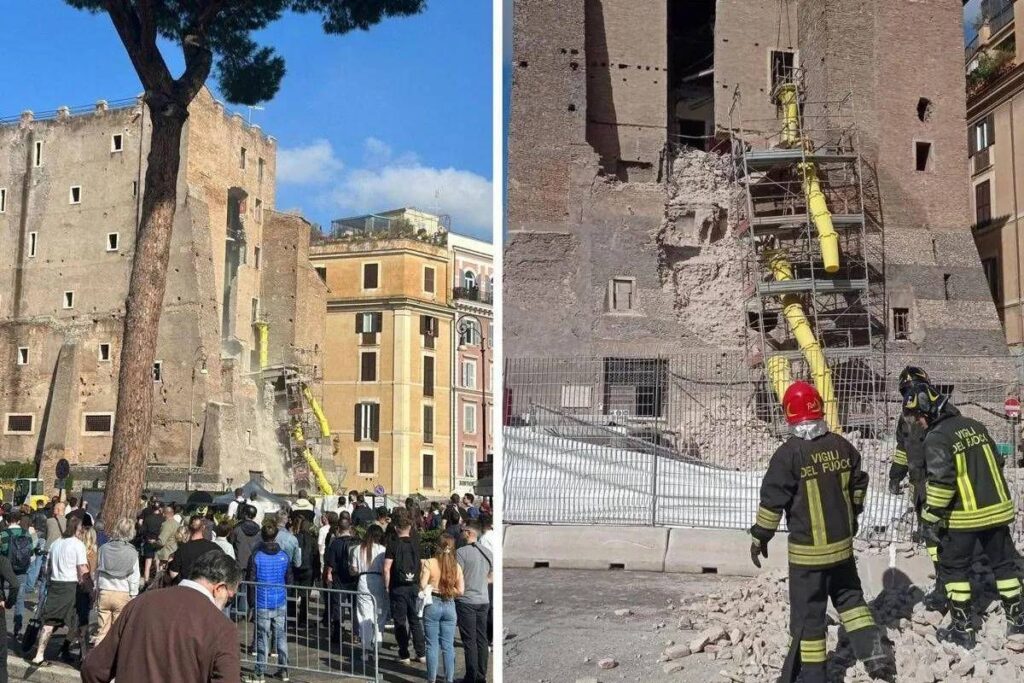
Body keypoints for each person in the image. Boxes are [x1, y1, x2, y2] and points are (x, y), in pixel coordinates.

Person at [748, 381, 892, 683]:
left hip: (808, 557)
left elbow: (773, 501)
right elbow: (859, 484)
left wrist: (760, 536)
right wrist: (852, 517)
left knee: (808, 617)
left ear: (789, 414)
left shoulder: (788, 455)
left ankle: (813, 675)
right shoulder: (842, 446)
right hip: (841, 550)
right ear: (818, 407)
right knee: (852, 602)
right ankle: (878, 658)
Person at [904, 378, 1024, 648]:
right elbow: (999, 460)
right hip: (998, 510)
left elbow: (942, 483)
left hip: (964, 517)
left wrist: (929, 518)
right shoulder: (975, 425)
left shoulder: (937, 437)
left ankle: (963, 629)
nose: (917, 424)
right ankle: (1017, 622)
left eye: (917, 418)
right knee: (1004, 565)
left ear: (928, 413)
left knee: (954, 568)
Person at [81, 550, 242, 683]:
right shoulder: (223, 628)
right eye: (230, 599)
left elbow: (94, 668)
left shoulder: (140, 603)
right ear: (219, 588)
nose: (227, 604)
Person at [888, 365, 951, 611]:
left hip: (941, 481)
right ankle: (943, 579)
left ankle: (950, 581)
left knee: (942, 533)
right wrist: (896, 474)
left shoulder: (941, 412)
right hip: (921, 483)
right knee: (931, 534)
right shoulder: (907, 419)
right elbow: (903, 449)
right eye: (907, 391)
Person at [32, 516, 89, 666]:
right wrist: (90, 587)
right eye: (81, 528)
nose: (82, 531)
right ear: (77, 528)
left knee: (50, 622)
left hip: (55, 585)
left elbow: (47, 568)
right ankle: (83, 658)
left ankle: (39, 655)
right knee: (77, 622)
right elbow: (82, 569)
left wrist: (48, 583)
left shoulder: (56, 543)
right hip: (71, 586)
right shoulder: (78, 545)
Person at [247, 521, 292, 683]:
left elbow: (250, 581)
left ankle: (260, 672)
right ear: (276, 536)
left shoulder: (256, 556)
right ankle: (284, 670)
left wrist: (251, 604)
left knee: (262, 638)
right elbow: (289, 580)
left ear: (262, 536)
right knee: (280, 637)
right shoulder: (284, 556)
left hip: (262, 601)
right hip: (280, 600)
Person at [384, 509, 425, 664]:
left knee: (400, 621)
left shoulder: (393, 544)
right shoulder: (416, 542)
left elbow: (387, 568)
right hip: (414, 585)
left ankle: (404, 654)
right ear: (410, 527)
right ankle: (421, 653)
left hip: (398, 587)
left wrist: (387, 586)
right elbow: (420, 564)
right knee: (415, 620)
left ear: (396, 528)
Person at [421, 535, 464, 683]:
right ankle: (449, 679)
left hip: (433, 602)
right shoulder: (456, 566)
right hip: (450, 604)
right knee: (448, 645)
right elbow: (461, 591)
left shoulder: (430, 562)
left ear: (437, 547)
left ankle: (431, 679)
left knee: (431, 644)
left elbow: (422, 584)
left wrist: (434, 588)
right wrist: (448, 590)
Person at [93, 518, 140, 647]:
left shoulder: (103, 548)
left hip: (105, 590)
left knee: (102, 631)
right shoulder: (132, 552)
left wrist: (96, 589)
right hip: (122, 592)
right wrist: (133, 594)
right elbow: (134, 576)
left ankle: (96, 659)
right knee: (117, 631)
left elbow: (97, 571)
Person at [456, 520, 491, 683]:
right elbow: (491, 577)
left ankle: (471, 676)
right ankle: (481, 676)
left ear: (470, 533)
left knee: (469, 640)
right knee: (482, 638)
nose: (461, 533)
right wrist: (480, 582)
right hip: (483, 599)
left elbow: (456, 577)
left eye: (463, 530)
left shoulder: (461, 553)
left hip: (466, 600)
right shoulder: (488, 552)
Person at [349, 525, 388, 665]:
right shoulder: (383, 550)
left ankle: (365, 650)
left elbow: (353, 570)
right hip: (378, 580)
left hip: (363, 580)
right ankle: (377, 647)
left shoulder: (358, 549)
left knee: (364, 615)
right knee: (379, 615)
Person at [324, 518, 360, 639]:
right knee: (355, 606)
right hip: (354, 577)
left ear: (338, 529)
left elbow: (331, 562)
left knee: (337, 605)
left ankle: (337, 633)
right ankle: (356, 633)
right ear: (350, 528)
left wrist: (328, 574)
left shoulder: (335, 543)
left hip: (339, 577)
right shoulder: (357, 542)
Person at [4, 510, 36, 638]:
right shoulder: (26, 534)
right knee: (20, 599)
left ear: (7, 520)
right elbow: (31, 553)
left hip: (5, 570)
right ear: (19, 520)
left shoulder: (3, 534)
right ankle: (18, 629)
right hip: (21, 571)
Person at [168, 515, 222, 585]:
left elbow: (173, 574)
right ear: (203, 527)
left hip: (186, 589)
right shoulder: (216, 548)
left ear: (189, 528)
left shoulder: (183, 549)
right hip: (207, 590)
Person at [229, 505, 262, 618]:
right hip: (254, 563)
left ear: (245, 514)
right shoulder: (259, 530)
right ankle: (248, 611)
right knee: (251, 588)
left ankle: (239, 612)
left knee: (238, 587)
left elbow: (231, 542)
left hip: (240, 562)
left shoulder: (237, 529)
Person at [291, 515, 320, 626]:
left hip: (296, 569)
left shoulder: (294, 538)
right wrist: (317, 573)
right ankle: (303, 620)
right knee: (305, 596)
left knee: (294, 594)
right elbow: (316, 557)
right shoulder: (313, 540)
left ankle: (292, 618)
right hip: (309, 570)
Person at [75, 526, 98, 656]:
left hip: (73, 586)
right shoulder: (92, 554)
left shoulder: (77, 550)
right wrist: (93, 592)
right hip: (85, 588)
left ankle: (70, 647)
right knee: (83, 621)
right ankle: (83, 654)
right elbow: (91, 574)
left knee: (76, 620)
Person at [477, 513, 495, 645]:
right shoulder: (494, 535)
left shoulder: (483, 539)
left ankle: (489, 637)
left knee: (488, 607)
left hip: (488, 576)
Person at [139, 499, 163, 582]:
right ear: (160, 508)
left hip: (148, 541)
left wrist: (147, 537)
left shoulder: (148, 518)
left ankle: (146, 580)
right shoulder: (162, 519)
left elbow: (141, 530)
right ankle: (158, 580)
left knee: (148, 562)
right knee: (157, 561)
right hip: (158, 541)